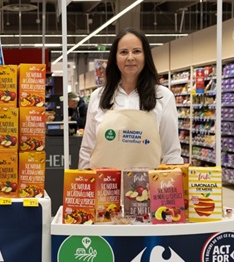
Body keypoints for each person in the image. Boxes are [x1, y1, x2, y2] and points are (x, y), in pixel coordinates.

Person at [78, 28, 183, 170]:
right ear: (115, 59)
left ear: (146, 56)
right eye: (123, 52)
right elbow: (87, 150)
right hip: (105, 183)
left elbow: (171, 153)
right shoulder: (98, 96)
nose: (130, 57)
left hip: (148, 183)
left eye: (137, 51)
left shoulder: (163, 97)